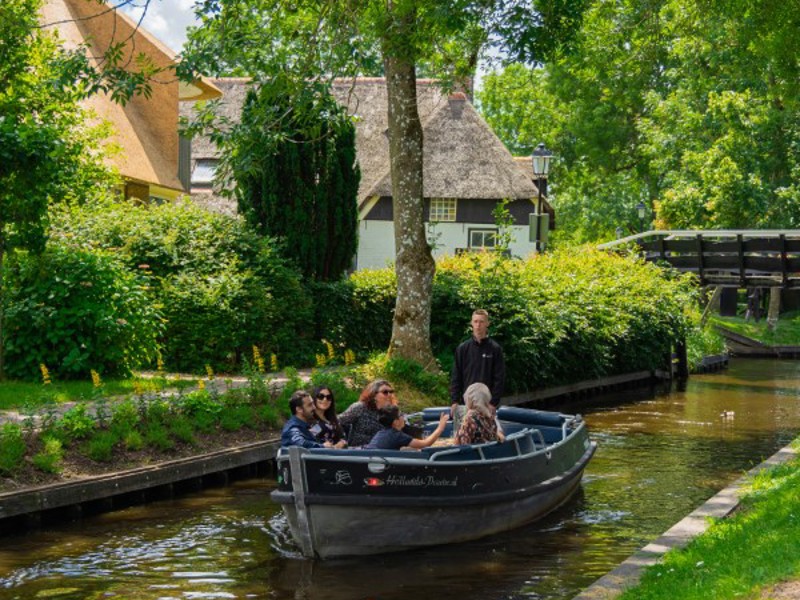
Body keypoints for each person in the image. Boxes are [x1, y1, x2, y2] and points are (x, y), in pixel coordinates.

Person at [449, 309, 506, 431]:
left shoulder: (495, 349)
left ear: (487, 323)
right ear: (471, 323)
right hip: (467, 403)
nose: (478, 325)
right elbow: (456, 376)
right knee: (462, 436)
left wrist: (493, 403)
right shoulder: (463, 348)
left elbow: (499, 379)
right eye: (475, 322)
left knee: (490, 435)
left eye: (481, 322)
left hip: (487, 403)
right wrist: (454, 401)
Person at [338, 379, 397, 447]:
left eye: (391, 392)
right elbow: (337, 422)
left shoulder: (392, 412)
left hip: (384, 453)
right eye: (385, 392)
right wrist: (341, 440)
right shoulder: (360, 407)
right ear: (374, 395)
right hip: (360, 453)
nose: (389, 395)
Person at [280, 390, 346, 449]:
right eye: (310, 405)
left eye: (313, 404)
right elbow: (300, 442)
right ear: (299, 409)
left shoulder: (305, 425)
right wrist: (323, 446)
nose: (314, 407)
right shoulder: (293, 427)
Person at [364, 405, 449, 450]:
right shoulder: (397, 435)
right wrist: (440, 427)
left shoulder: (381, 433)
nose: (404, 416)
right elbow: (425, 444)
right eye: (401, 415)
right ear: (396, 422)